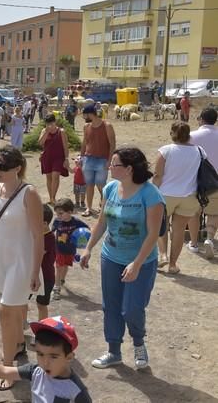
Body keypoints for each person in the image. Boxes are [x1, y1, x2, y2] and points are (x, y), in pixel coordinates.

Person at [79, 147, 164, 370]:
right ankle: (113, 351)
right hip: (111, 257)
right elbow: (102, 222)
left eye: (113, 164)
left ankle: (138, 343)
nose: (109, 167)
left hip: (141, 262)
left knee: (132, 308)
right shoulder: (109, 189)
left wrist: (136, 264)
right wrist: (89, 248)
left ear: (127, 169)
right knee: (111, 307)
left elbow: (154, 234)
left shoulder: (150, 194)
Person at [0, 146, 43, 391]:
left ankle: (8, 368)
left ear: (17, 168)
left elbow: (38, 236)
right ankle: (18, 342)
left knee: (5, 312)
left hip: (21, 260)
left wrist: (35, 271)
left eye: (3, 167)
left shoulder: (29, 193)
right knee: (15, 305)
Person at [0, 316, 91, 402]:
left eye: (53, 356)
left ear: (69, 357)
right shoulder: (36, 371)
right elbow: (4, 371)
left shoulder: (77, 392)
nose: (45, 362)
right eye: (40, 354)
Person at [152, 121, 202, 274]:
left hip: (166, 195)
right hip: (189, 195)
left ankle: (163, 255)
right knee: (179, 229)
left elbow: (157, 175)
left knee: (162, 226)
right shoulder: (199, 151)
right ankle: (173, 264)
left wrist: (153, 190)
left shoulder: (165, 150)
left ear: (172, 133)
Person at [188, 107, 218, 258]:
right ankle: (210, 238)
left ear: (200, 118)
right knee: (213, 212)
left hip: (195, 179)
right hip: (216, 181)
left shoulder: (191, 136)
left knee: (194, 211)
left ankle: (193, 243)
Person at [80, 104, 116, 217]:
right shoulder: (86, 126)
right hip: (88, 158)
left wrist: (109, 160)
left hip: (102, 159)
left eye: (84, 114)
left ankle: (104, 204)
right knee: (89, 185)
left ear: (90, 114)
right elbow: (85, 142)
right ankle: (89, 208)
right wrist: (81, 157)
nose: (83, 117)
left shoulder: (107, 126)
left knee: (101, 185)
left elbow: (112, 144)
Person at [52, 198, 89, 300]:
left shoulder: (76, 222)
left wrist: (83, 238)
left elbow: (87, 229)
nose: (58, 216)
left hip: (70, 250)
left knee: (65, 266)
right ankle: (56, 288)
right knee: (59, 267)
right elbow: (52, 232)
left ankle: (62, 280)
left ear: (70, 212)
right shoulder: (57, 221)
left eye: (61, 213)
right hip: (59, 249)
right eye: (57, 214)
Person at [38, 114, 69, 205]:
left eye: (51, 123)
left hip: (59, 157)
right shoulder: (44, 131)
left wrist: (66, 158)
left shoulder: (61, 131)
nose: (50, 125)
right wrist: (46, 132)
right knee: (49, 177)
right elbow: (40, 143)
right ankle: (50, 197)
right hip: (47, 157)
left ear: (55, 122)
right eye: (48, 124)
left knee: (55, 176)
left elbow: (65, 146)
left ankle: (53, 197)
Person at [36, 204, 57, 320]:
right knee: (22, 301)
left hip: (45, 278)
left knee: (41, 305)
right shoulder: (37, 234)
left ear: (44, 223)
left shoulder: (49, 238)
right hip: (34, 275)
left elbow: (36, 253)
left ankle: (42, 327)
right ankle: (23, 324)